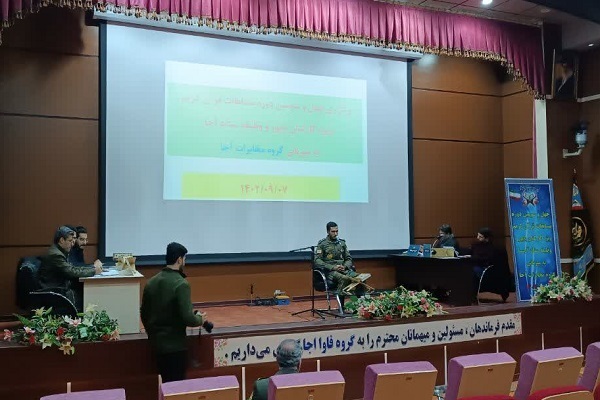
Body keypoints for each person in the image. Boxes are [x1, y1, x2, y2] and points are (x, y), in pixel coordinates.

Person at [140, 242, 208, 383]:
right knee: (176, 388)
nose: (185, 262)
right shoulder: (181, 284)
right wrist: (200, 319)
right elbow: (188, 318)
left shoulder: (151, 282)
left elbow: (144, 313)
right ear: (179, 260)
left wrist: (152, 334)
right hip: (175, 347)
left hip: (156, 345)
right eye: (184, 259)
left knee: (164, 385)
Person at [39, 226, 103, 311]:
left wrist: (92, 268)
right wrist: (94, 270)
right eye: (70, 241)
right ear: (62, 240)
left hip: (59, 288)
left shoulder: (60, 251)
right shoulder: (56, 254)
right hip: (55, 291)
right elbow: (71, 271)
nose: (72, 244)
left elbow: (72, 268)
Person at [314, 221, 365, 295]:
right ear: (328, 232)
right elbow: (317, 260)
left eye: (337, 231)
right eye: (333, 231)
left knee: (361, 278)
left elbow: (348, 258)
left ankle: (360, 300)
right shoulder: (322, 244)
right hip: (330, 271)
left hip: (343, 269)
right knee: (344, 278)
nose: (336, 234)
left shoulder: (342, 243)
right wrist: (333, 267)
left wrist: (345, 266)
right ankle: (341, 300)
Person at [466, 227, 511, 302]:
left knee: (471, 272)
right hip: (477, 266)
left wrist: (474, 258)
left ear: (487, 238)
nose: (477, 238)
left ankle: (472, 294)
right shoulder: (476, 245)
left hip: (487, 269)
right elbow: (470, 253)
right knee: (465, 271)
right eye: (478, 235)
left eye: (480, 237)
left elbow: (489, 260)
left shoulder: (494, 248)